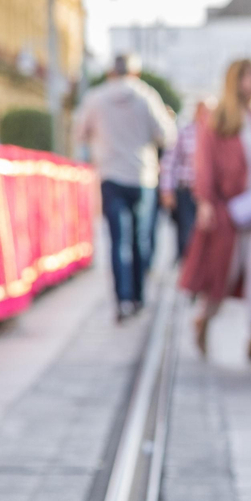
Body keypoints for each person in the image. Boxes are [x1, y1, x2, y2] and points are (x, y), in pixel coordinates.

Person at [183, 60, 251, 359]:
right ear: (235, 81)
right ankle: (204, 320)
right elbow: (205, 165)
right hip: (228, 210)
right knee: (223, 272)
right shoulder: (216, 121)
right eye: (249, 76)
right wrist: (206, 201)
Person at [74, 54, 176, 320]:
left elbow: (79, 133)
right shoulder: (146, 96)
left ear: (111, 72)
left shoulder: (95, 98)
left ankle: (121, 300)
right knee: (140, 240)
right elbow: (166, 135)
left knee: (118, 241)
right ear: (135, 72)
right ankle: (139, 297)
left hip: (110, 175)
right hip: (142, 176)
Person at [161, 99, 209, 262]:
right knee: (186, 233)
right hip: (186, 190)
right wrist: (167, 190)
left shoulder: (216, 133)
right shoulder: (184, 132)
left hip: (208, 192)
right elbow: (169, 163)